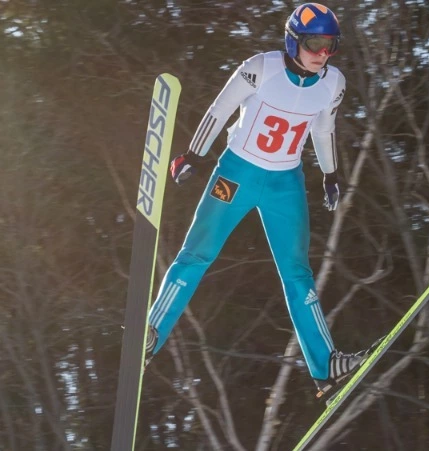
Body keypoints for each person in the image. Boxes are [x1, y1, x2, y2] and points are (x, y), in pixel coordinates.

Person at [145, 3, 367, 396]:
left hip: (286, 182)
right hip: (237, 174)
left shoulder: (334, 83)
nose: (322, 54)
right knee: (197, 253)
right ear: (294, 40)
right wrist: (193, 155)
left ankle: (326, 364)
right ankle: (151, 334)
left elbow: (324, 128)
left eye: (330, 46)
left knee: (297, 273)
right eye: (314, 44)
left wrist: (330, 174)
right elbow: (221, 109)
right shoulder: (260, 67)